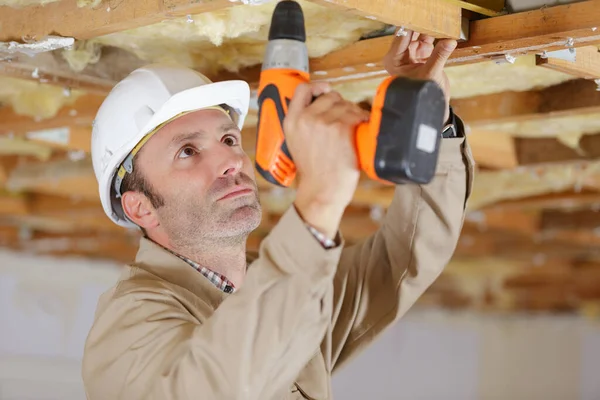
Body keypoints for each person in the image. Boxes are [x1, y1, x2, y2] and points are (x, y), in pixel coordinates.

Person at [82, 28, 474, 399]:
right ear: (140, 206)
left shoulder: (292, 285)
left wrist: (426, 115)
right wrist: (320, 198)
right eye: (188, 151)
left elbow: (402, 262)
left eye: (228, 139)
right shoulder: (131, 322)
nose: (230, 161)